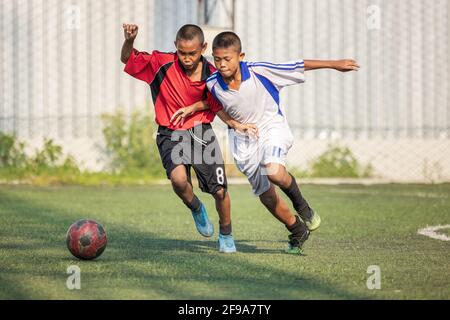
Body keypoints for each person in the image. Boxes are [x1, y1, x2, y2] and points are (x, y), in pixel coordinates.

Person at [174, 31, 359, 254]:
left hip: (271, 128)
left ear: (240, 55)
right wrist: (201, 111)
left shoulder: (259, 71)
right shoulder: (213, 83)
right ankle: (297, 229)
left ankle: (303, 207)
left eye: (227, 59)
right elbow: (213, 104)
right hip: (243, 143)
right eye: (217, 59)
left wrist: (334, 64)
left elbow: (298, 65)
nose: (221, 64)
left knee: (274, 171)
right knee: (267, 195)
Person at [121, 24, 256, 253]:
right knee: (179, 180)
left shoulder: (213, 73)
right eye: (182, 53)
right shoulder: (160, 63)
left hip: (201, 133)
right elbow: (127, 58)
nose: (186, 58)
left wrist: (229, 121)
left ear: (203, 48)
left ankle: (226, 234)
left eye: (192, 53)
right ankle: (195, 207)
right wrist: (130, 40)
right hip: (170, 133)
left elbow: (219, 103)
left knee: (220, 191)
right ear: (176, 46)